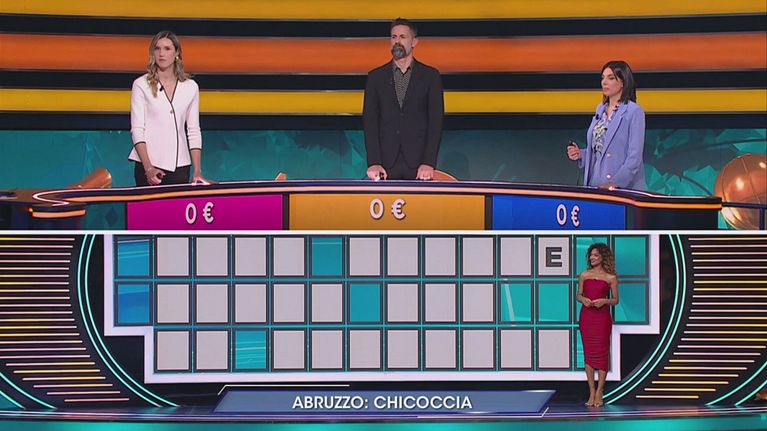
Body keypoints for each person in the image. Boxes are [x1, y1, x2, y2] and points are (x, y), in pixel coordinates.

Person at [363, 18, 444, 181]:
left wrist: (428, 162)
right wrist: (374, 162)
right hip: (385, 165)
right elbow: (370, 122)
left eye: (402, 37)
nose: (397, 41)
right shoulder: (375, 77)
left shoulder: (430, 76)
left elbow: (436, 122)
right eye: (393, 37)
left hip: (419, 166)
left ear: (414, 42)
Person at [129, 31, 211, 186]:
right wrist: (148, 168)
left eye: (167, 49)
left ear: (176, 53)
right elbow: (137, 130)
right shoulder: (141, 85)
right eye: (157, 48)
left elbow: (193, 130)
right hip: (148, 166)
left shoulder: (190, 87)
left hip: (180, 166)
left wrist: (197, 171)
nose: (161, 54)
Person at [567, 60, 646, 190]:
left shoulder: (634, 111)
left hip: (621, 189)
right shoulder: (600, 109)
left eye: (610, 78)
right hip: (596, 184)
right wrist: (581, 154)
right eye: (603, 78)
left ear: (623, 82)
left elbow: (634, 158)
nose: (604, 82)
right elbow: (601, 151)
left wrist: (614, 183)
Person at [576, 243, 619, 407]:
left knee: (602, 354)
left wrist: (604, 301)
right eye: (591, 255)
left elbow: (615, 300)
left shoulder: (611, 278)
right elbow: (578, 295)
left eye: (596, 255)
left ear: (603, 257)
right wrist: (583, 299)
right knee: (588, 353)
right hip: (587, 317)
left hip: (602, 318)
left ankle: (600, 390)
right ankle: (591, 391)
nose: (592, 258)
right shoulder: (584, 275)